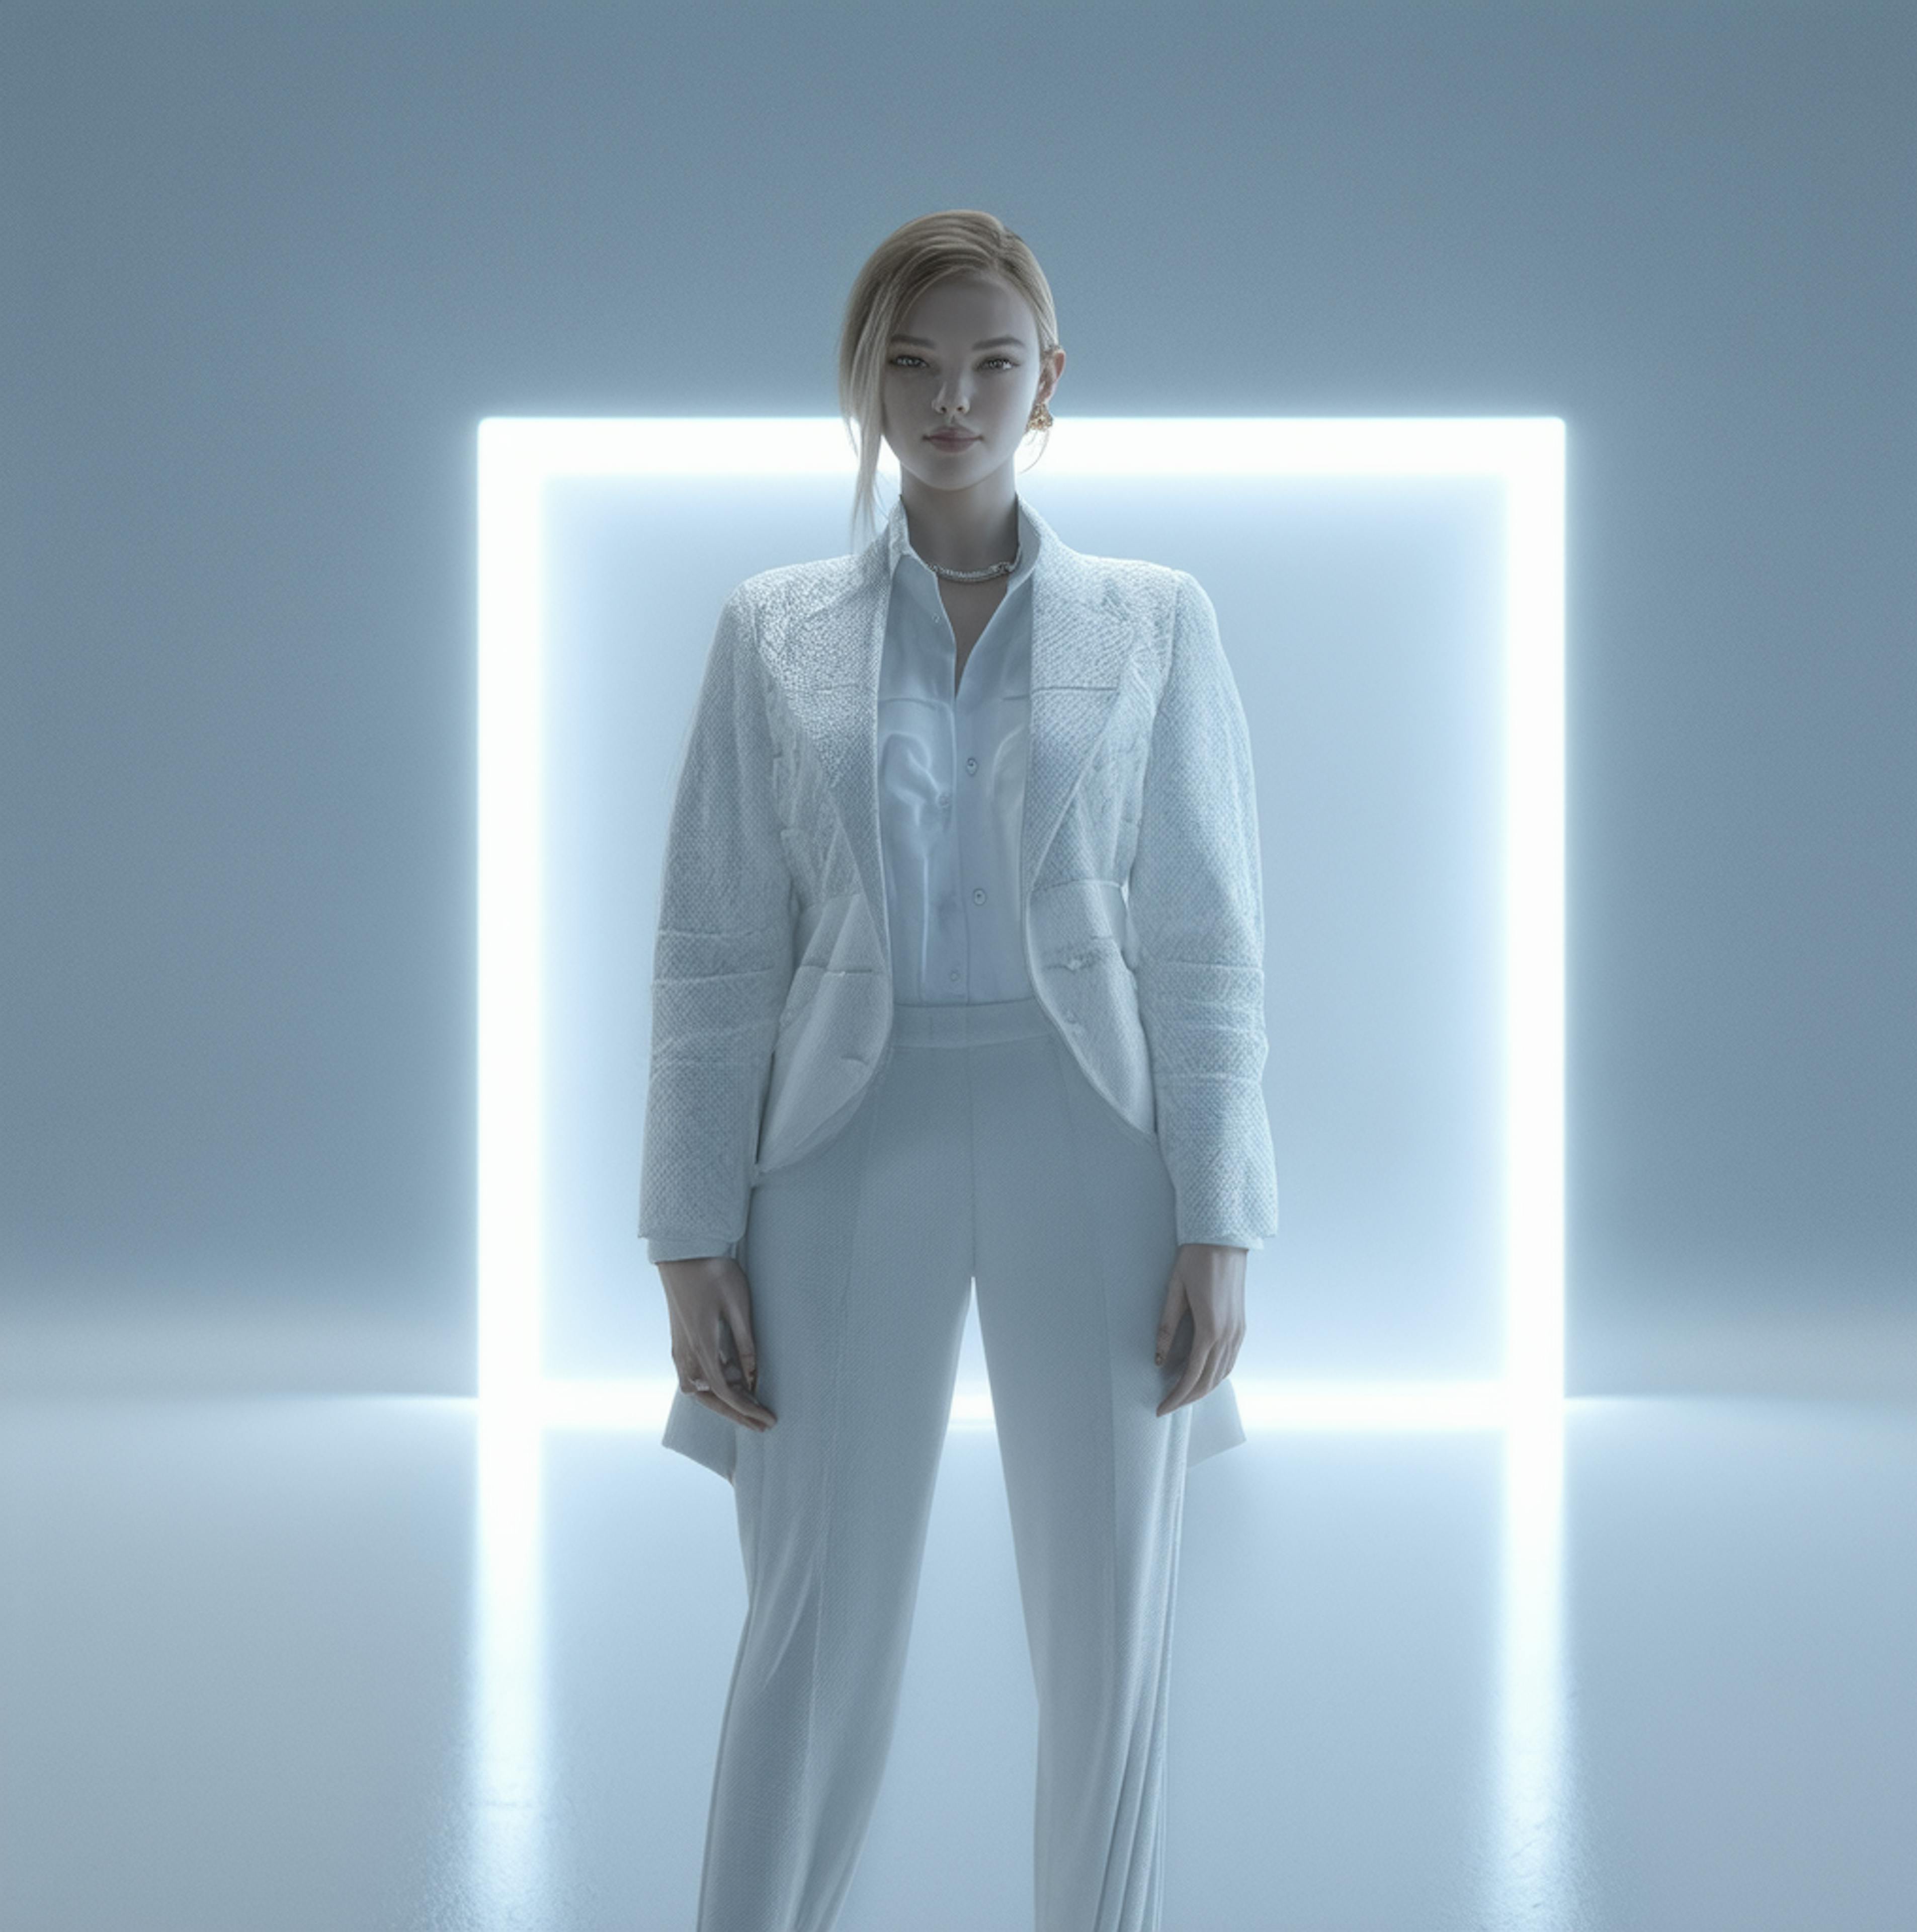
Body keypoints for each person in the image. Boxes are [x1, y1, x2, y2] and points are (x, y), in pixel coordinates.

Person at [639, 209, 1277, 1932]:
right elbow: (716, 943)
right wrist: (687, 1231)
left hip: (1097, 1126)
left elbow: (1205, 938)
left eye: (993, 361)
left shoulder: (1154, 622)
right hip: (843, 1133)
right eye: (912, 363)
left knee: (1110, 1631)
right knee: (807, 1624)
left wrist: (1222, 1214)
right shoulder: (773, 627)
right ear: (863, 382)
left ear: (1049, 381)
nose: (952, 398)